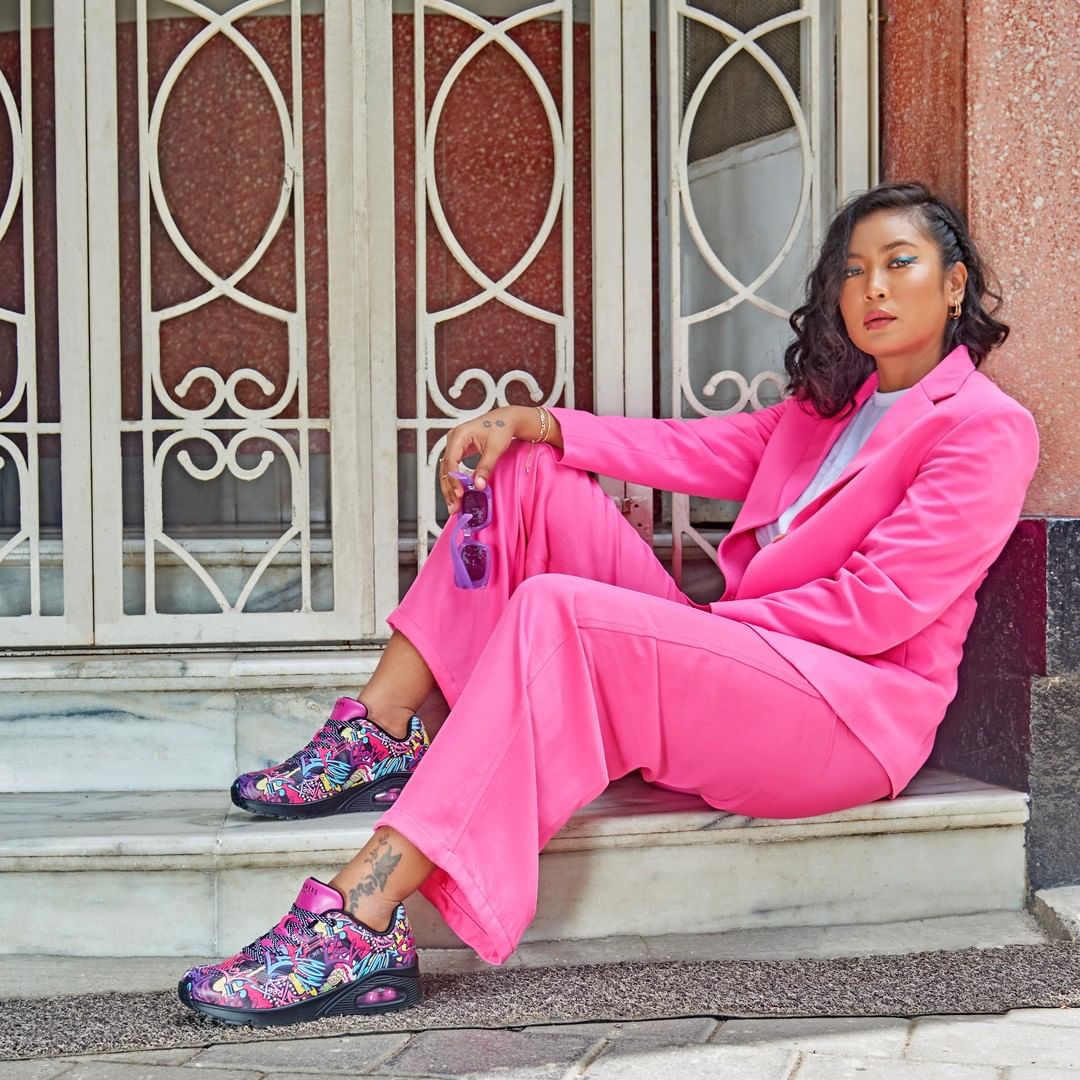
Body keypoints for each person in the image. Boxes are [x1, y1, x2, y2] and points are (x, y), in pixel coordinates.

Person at [178, 181, 1039, 1027]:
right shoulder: (825, 414)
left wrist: (697, 632)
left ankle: (362, 915)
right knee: (523, 474)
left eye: (899, 263)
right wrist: (534, 422)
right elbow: (685, 449)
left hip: (846, 718)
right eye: (853, 270)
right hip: (748, 670)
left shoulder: (983, 427)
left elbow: (880, 606)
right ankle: (381, 732)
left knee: (562, 611)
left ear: (954, 283)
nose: (873, 288)